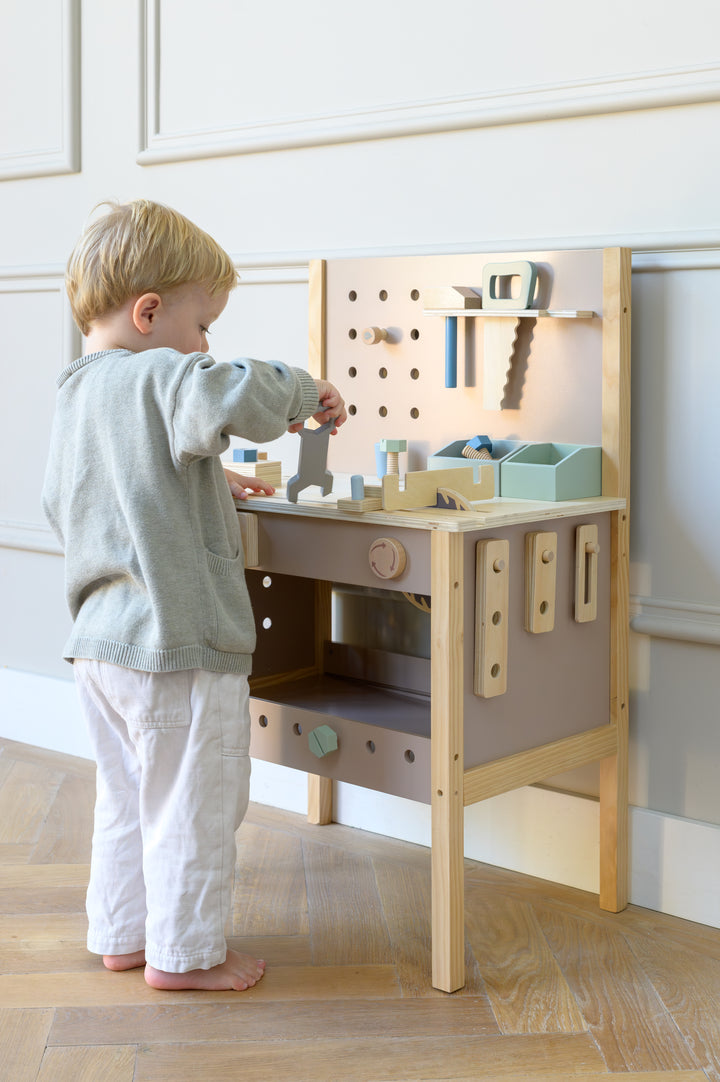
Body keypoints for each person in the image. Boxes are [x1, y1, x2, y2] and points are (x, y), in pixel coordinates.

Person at [41, 199, 346, 991]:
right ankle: (186, 954)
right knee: (194, 805)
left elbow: (98, 498)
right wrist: (305, 392)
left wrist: (207, 481)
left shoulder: (77, 394)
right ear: (149, 314)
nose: (206, 344)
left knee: (127, 798)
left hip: (101, 646)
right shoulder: (163, 374)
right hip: (176, 644)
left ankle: (121, 934)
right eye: (203, 324)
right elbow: (230, 391)